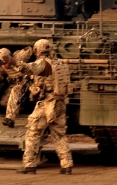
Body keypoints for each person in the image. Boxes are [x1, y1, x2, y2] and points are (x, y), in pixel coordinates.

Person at [16, 39, 74, 175]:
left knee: (33, 132)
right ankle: (67, 164)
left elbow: (30, 68)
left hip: (47, 102)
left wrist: (16, 63)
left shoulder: (43, 64)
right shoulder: (59, 64)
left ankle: (29, 165)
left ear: (37, 50)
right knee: (59, 135)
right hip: (59, 102)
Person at [0, 46, 33, 128]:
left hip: (28, 82)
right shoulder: (2, 65)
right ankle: (20, 108)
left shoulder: (19, 57)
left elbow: (30, 49)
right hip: (15, 83)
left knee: (16, 91)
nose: (3, 66)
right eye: (1, 64)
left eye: (4, 63)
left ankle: (10, 119)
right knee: (4, 103)